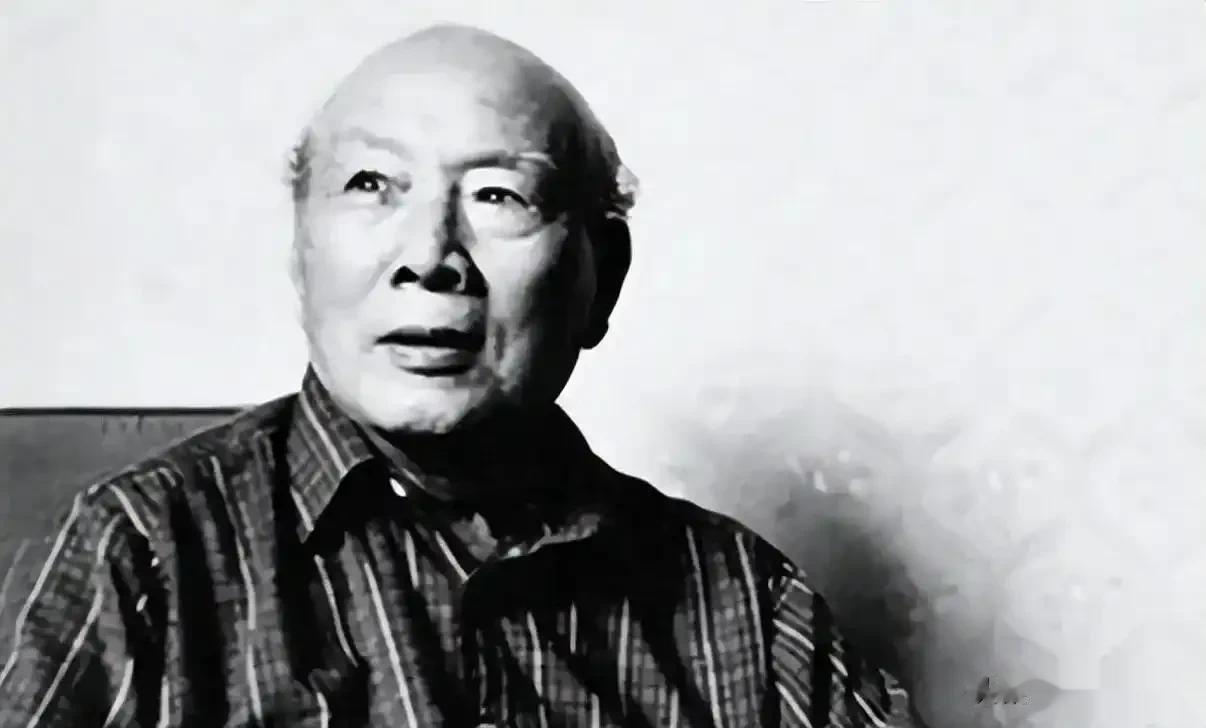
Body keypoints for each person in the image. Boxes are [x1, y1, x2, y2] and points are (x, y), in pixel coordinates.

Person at [0, 24, 923, 727]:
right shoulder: (142, 555)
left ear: (602, 277)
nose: (429, 256)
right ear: (301, 252)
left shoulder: (744, 602)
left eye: (497, 195)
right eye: (371, 185)